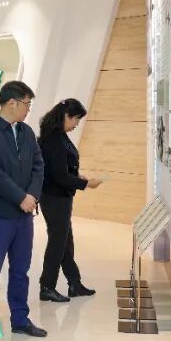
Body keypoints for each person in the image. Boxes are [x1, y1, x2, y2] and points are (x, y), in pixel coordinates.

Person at [0, 81, 47, 341]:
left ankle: (20, 319)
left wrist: (32, 196)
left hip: (24, 216)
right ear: (12, 103)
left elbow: (38, 166)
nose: (28, 109)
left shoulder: (26, 132)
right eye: (27, 104)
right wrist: (20, 197)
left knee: (20, 271)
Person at [37, 99, 102, 302]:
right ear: (66, 116)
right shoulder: (54, 140)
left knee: (65, 241)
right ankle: (47, 286)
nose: (76, 124)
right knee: (58, 242)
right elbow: (59, 176)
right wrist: (86, 183)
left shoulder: (58, 135)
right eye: (75, 119)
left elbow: (63, 169)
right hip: (54, 197)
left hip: (60, 196)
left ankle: (74, 283)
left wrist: (77, 176)